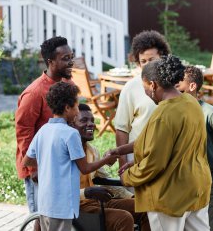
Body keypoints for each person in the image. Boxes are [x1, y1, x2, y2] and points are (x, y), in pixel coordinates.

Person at [108, 55, 211, 231]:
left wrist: (128, 177)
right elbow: (160, 142)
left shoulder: (163, 114)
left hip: (170, 194)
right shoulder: (191, 103)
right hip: (197, 186)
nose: (146, 93)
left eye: (144, 88)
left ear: (153, 85)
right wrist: (121, 150)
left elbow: (154, 163)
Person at [22, 82, 118, 231]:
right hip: (62, 206)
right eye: (76, 106)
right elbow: (85, 168)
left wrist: (50, 161)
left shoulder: (43, 130)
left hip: (45, 203)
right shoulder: (70, 133)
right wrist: (106, 160)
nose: (78, 110)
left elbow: (26, 160)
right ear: (67, 108)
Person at [15, 36, 75, 214]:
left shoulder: (68, 84)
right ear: (50, 62)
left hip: (61, 163)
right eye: (65, 59)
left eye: (71, 56)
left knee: (57, 217)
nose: (71, 62)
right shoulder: (34, 93)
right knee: (40, 218)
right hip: (39, 167)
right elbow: (23, 131)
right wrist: (34, 168)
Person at [176, 66, 213, 231]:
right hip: (188, 182)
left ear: (192, 86)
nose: (175, 91)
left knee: (212, 227)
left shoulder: (210, 114)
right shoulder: (175, 114)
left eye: (178, 86)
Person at [72, 103, 151, 231]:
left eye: (92, 120)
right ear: (71, 125)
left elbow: (106, 181)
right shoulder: (65, 152)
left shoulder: (92, 151)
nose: (91, 124)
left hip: (96, 202)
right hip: (77, 206)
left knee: (145, 206)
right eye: (84, 120)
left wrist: (131, 197)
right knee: (123, 218)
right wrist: (86, 192)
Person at [114, 30, 171, 169]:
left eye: (152, 60)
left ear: (162, 57)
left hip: (169, 156)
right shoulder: (131, 88)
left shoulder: (173, 87)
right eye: (143, 61)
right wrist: (122, 162)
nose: (147, 65)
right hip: (138, 157)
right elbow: (122, 129)